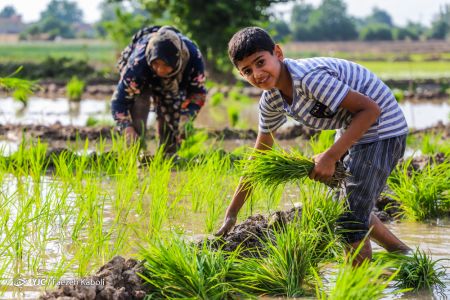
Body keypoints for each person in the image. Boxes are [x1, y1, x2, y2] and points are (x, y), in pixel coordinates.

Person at [215, 27, 411, 265]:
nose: (257, 74)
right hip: (355, 127)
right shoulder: (271, 100)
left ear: (278, 53)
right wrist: (232, 214)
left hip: (383, 128)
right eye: (247, 71)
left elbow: (371, 110)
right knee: (348, 205)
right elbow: (259, 157)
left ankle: (358, 288)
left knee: (349, 220)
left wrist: (330, 155)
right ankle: (402, 254)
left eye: (260, 62)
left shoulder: (308, 79)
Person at [111, 25, 207, 155]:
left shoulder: (193, 58)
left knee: (172, 129)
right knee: (139, 113)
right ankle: (135, 156)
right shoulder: (138, 65)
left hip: (174, 84)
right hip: (144, 79)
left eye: (166, 64)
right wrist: (127, 128)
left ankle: (167, 159)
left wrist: (186, 117)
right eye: (156, 63)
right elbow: (119, 101)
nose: (160, 70)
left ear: (176, 60)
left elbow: (198, 94)